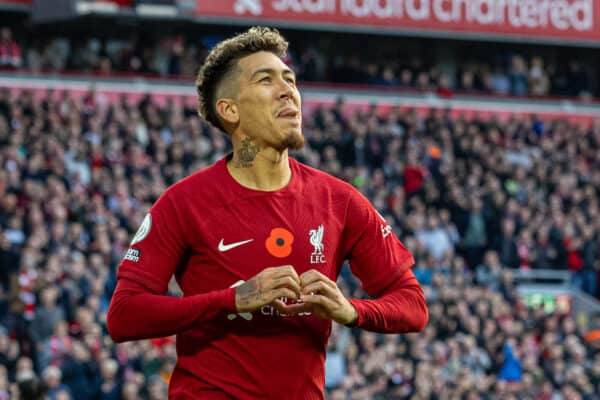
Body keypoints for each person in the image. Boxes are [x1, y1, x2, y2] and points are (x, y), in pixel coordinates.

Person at [106, 27, 428, 399]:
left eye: (290, 79)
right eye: (266, 80)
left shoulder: (340, 201)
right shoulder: (184, 203)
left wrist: (351, 310)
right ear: (230, 110)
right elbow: (124, 315)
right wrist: (231, 299)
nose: (287, 90)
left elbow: (413, 305)